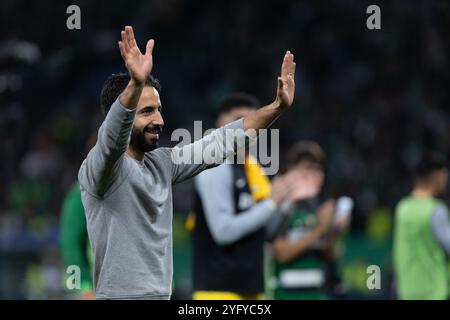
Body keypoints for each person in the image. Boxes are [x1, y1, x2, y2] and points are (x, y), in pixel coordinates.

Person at [78, 26, 297, 299]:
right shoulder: (99, 170)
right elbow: (112, 138)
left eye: (159, 110)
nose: (159, 120)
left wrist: (276, 107)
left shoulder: (163, 163)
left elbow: (220, 143)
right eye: (147, 111)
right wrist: (135, 85)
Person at [191, 94, 321, 300]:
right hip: (218, 292)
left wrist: (287, 202)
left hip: (253, 291)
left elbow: (267, 232)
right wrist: (271, 203)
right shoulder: (212, 167)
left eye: (254, 120)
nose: (248, 127)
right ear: (220, 123)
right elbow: (223, 231)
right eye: (239, 119)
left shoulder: (253, 169)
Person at [269, 141, 345, 300]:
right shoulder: (282, 207)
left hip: (316, 294)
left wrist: (328, 229)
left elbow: (329, 255)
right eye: (306, 169)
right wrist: (318, 230)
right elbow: (281, 253)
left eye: (317, 169)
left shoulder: (321, 208)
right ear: (291, 171)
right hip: (285, 296)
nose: (312, 175)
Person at [394, 152, 450, 300]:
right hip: (435, 292)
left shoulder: (402, 208)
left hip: (407, 291)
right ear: (436, 176)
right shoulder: (436, 210)